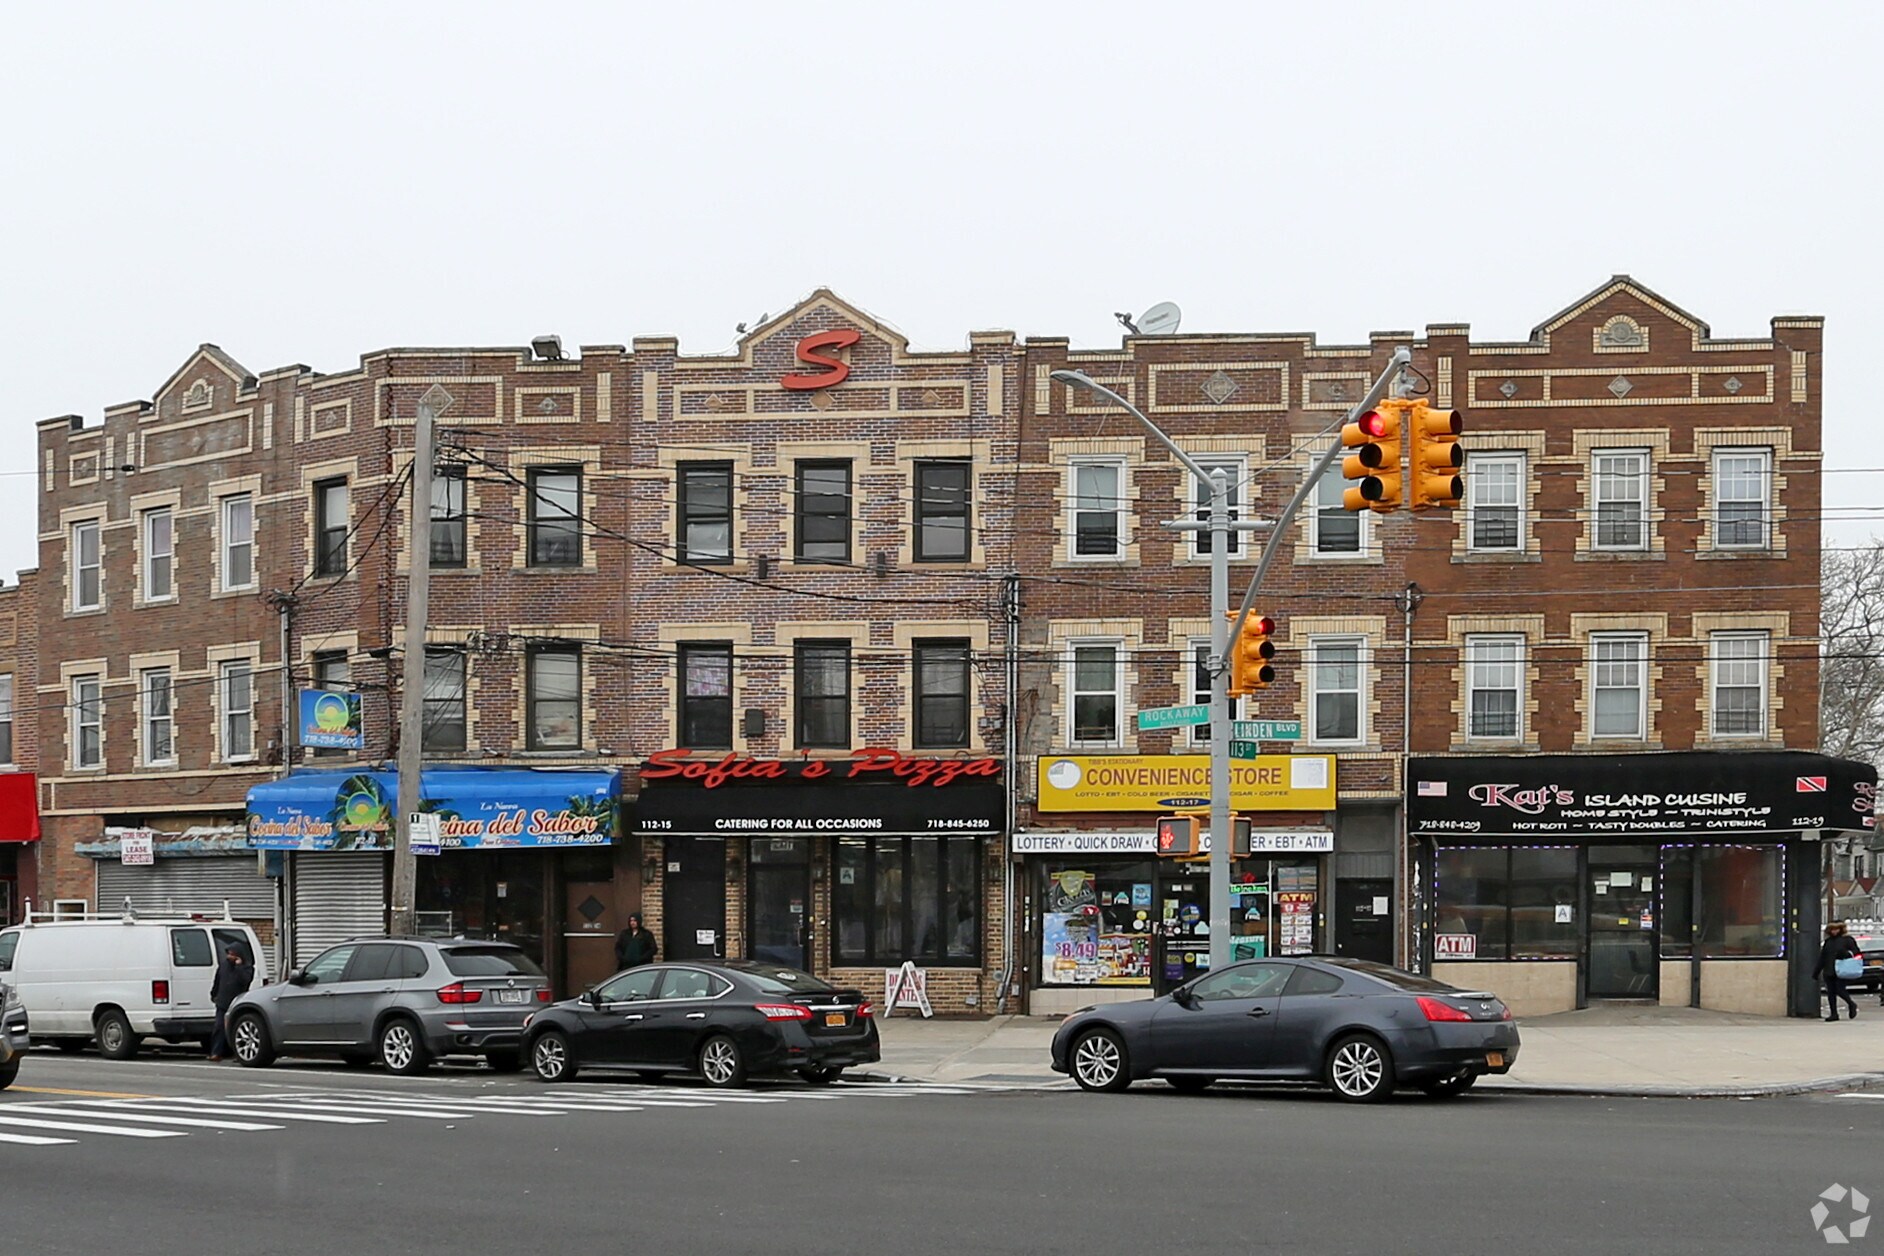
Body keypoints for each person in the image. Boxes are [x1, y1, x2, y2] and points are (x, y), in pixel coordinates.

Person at [207, 945, 254, 1061]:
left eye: (233, 954)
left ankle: (238, 1054)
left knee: (236, 1029)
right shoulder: (224, 965)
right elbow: (218, 980)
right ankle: (216, 1053)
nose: (230, 957)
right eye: (229, 954)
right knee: (219, 1027)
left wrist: (239, 966)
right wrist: (214, 994)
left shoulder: (247, 968)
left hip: (236, 1002)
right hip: (222, 1001)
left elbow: (245, 980)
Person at [1812, 921, 1862, 1023]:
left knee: (1840, 989)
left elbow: (1856, 953)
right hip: (1829, 970)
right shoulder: (1828, 942)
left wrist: (1846, 954)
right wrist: (1816, 972)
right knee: (1831, 993)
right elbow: (1822, 958)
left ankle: (1851, 1004)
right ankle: (1833, 1013)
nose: (1834, 931)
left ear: (1841, 929)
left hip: (1842, 969)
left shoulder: (1848, 940)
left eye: (1836, 929)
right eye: (1832, 929)